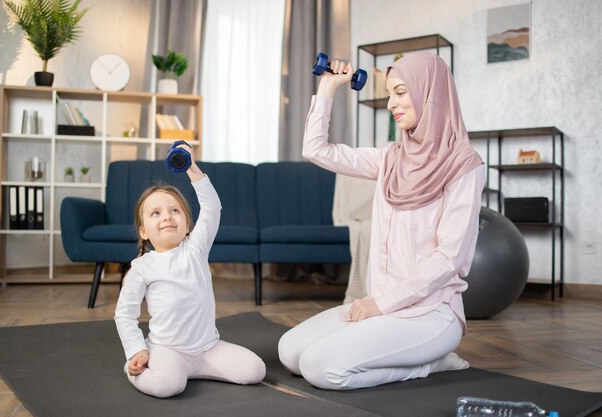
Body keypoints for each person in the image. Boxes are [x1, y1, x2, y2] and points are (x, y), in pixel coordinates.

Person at [277, 52, 485, 390]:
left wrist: (380, 304)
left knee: (320, 369)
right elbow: (316, 150)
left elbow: (450, 258)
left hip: (428, 314)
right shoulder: (389, 158)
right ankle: (418, 358)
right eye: (390, 94)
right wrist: (328, 87)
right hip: (380, 307)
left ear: (429, 92)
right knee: (289, 352)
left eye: (401, 92)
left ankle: (431, 363)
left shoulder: (464, 165)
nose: (391, 103)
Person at [114, 143, 265, 398]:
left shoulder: (196, 249)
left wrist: (192, 169)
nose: (167, 217)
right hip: (168, 350)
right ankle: (135, 371)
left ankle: (189, 370)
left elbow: (212, 209)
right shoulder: (142, 267)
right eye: (155, 213)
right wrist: (136, 350)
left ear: (187, 225)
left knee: (255, 371)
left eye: (175, 210)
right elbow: (125, 314)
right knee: (168, 386)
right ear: (143, 231)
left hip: (207, 349)